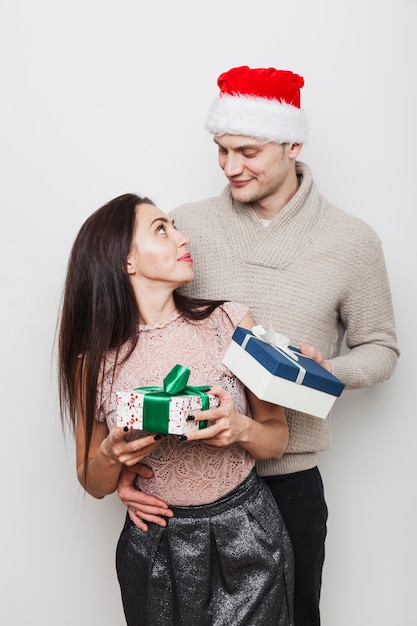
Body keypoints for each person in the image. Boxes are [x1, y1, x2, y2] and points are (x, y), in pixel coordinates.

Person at [117, 66, 400, 625]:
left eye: (247, 151)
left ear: (293, 144)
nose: (230, 166)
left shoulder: (352, 241)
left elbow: (382, 347)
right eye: (221, 150)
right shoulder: (186, 226)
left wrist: (330, 368)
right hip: (183, 479)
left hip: (289, 476)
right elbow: (137, 340)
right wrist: (116, 460)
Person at [58, 192, 300, 625]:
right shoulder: (92, 364)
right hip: (155, 547)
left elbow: (276, 437)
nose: (182, 237)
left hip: (248, 535)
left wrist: (238, 428)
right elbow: (93, 483)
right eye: (162, 229)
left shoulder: (230, 322)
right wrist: (113, 456)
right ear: (126, 260)